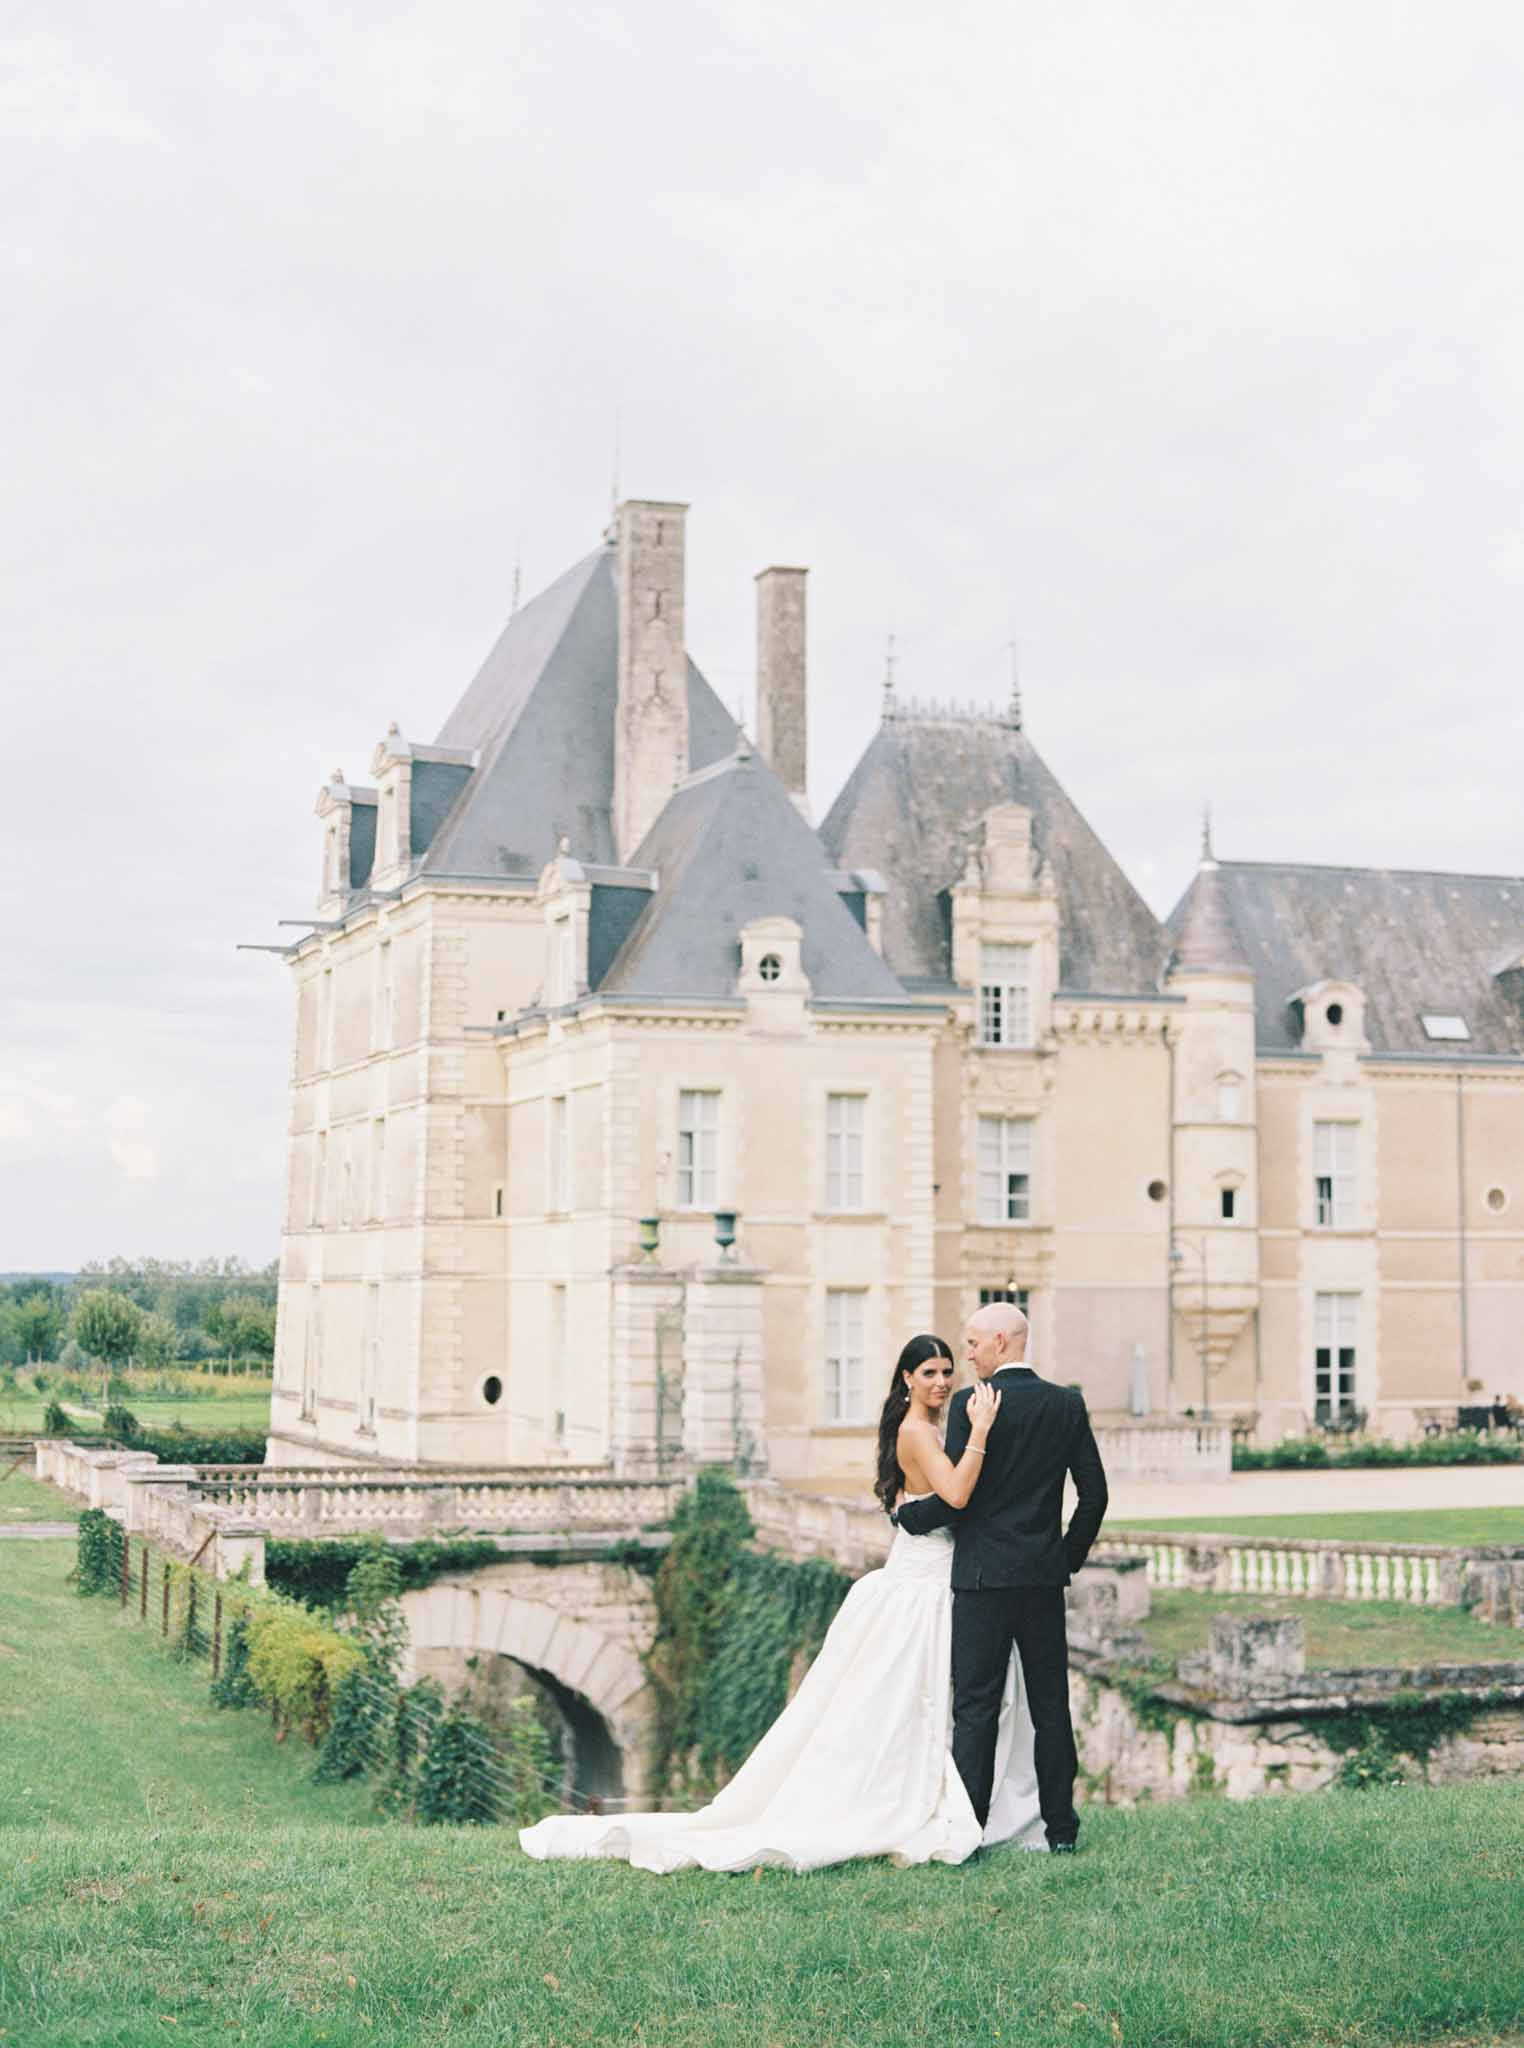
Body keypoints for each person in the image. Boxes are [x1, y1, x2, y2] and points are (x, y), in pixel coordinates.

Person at [518, 1333, 1044, 1873]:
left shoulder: (923, 1430)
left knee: (916, 1703)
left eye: (946, 1371)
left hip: (926, 1577)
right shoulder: (918, 1432)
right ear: (907, 1378)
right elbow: (956, 1495)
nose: (941, 1382)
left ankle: (939, 1796)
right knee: (915, 1701)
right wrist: (981, 1431)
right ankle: (912, 1802)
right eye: (929, 1372)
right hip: (923, 1588)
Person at [895, 1302, 1108, 1852]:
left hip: (982, 1579)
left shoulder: (971, 1404)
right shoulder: (1066, 1404)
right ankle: (1061, 1831)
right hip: (1041, 1578)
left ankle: (970, 1831)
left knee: (976, 1709)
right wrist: (1065, 1557)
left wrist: (908, 1516)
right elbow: (1095, 1495)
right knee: (1049, 1707)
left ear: (1001, 1343)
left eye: (972, 1344)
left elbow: (957, 1502)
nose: (965, 1354)